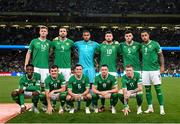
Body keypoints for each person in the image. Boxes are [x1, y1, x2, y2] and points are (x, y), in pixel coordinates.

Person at [141, 30, 165, 115]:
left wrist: (162, 66)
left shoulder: (155, 44)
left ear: (148, 35)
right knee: (147, 90)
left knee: (158, 89)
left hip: (155, 70)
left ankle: (162, 108)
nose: (144, 37)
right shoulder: (141, 46)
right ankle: (150, 108)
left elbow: (161, 55)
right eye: (142, 36)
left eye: (145, 35)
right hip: (145, 70)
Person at [74, 30, 99, 109]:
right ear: (82, 36)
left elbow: (102, 47)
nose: (86, 36)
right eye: (84, 35)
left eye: (87, 35)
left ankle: (91, 105)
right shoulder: (78, 43)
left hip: (91, 68)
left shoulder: (94, 44)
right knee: (79, 86)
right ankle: (78, 105)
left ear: (90, 35)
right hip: (81, 68)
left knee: (91, 86)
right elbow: (71, 46)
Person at [96, 31, 120, 112]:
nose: (108, 37)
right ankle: (102, 105)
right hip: (102, 70)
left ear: (112, 37)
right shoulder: (101, 45)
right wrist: (97, 64)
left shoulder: (116, 46)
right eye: (107, 36)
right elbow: (96, 55)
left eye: (110, 36)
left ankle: (112, 105)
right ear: (105, 37)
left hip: (112, 70)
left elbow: (120, 54)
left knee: (113, 88)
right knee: (101, 88)